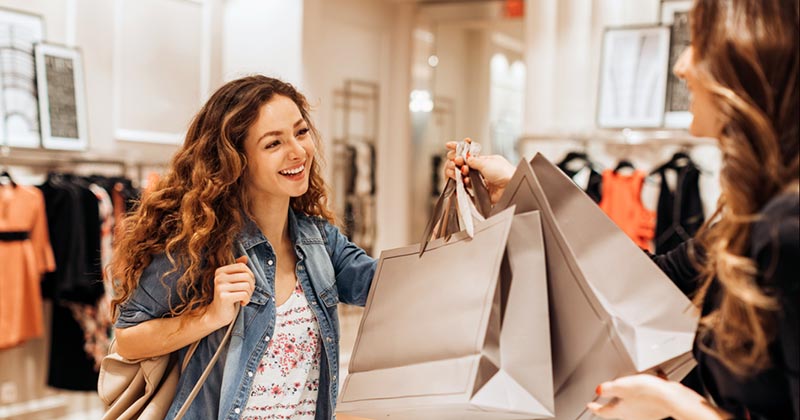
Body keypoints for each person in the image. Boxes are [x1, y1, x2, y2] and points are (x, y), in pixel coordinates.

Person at [446, 0, 799, 418]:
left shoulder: (786, 229)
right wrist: (519, 192)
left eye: (699, 45)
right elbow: (646, 278)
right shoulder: (746, 216)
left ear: (749, 59)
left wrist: (673, 402)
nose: (681, 65)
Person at [110, 75, 377, 419]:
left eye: (300, 132)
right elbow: (129, 338)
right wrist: (209, 317)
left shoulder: (319, 242)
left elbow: (391, 288)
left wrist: (465, 208)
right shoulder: (198, 243)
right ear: (235, 160)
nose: (297, 152)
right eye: (273, 144)